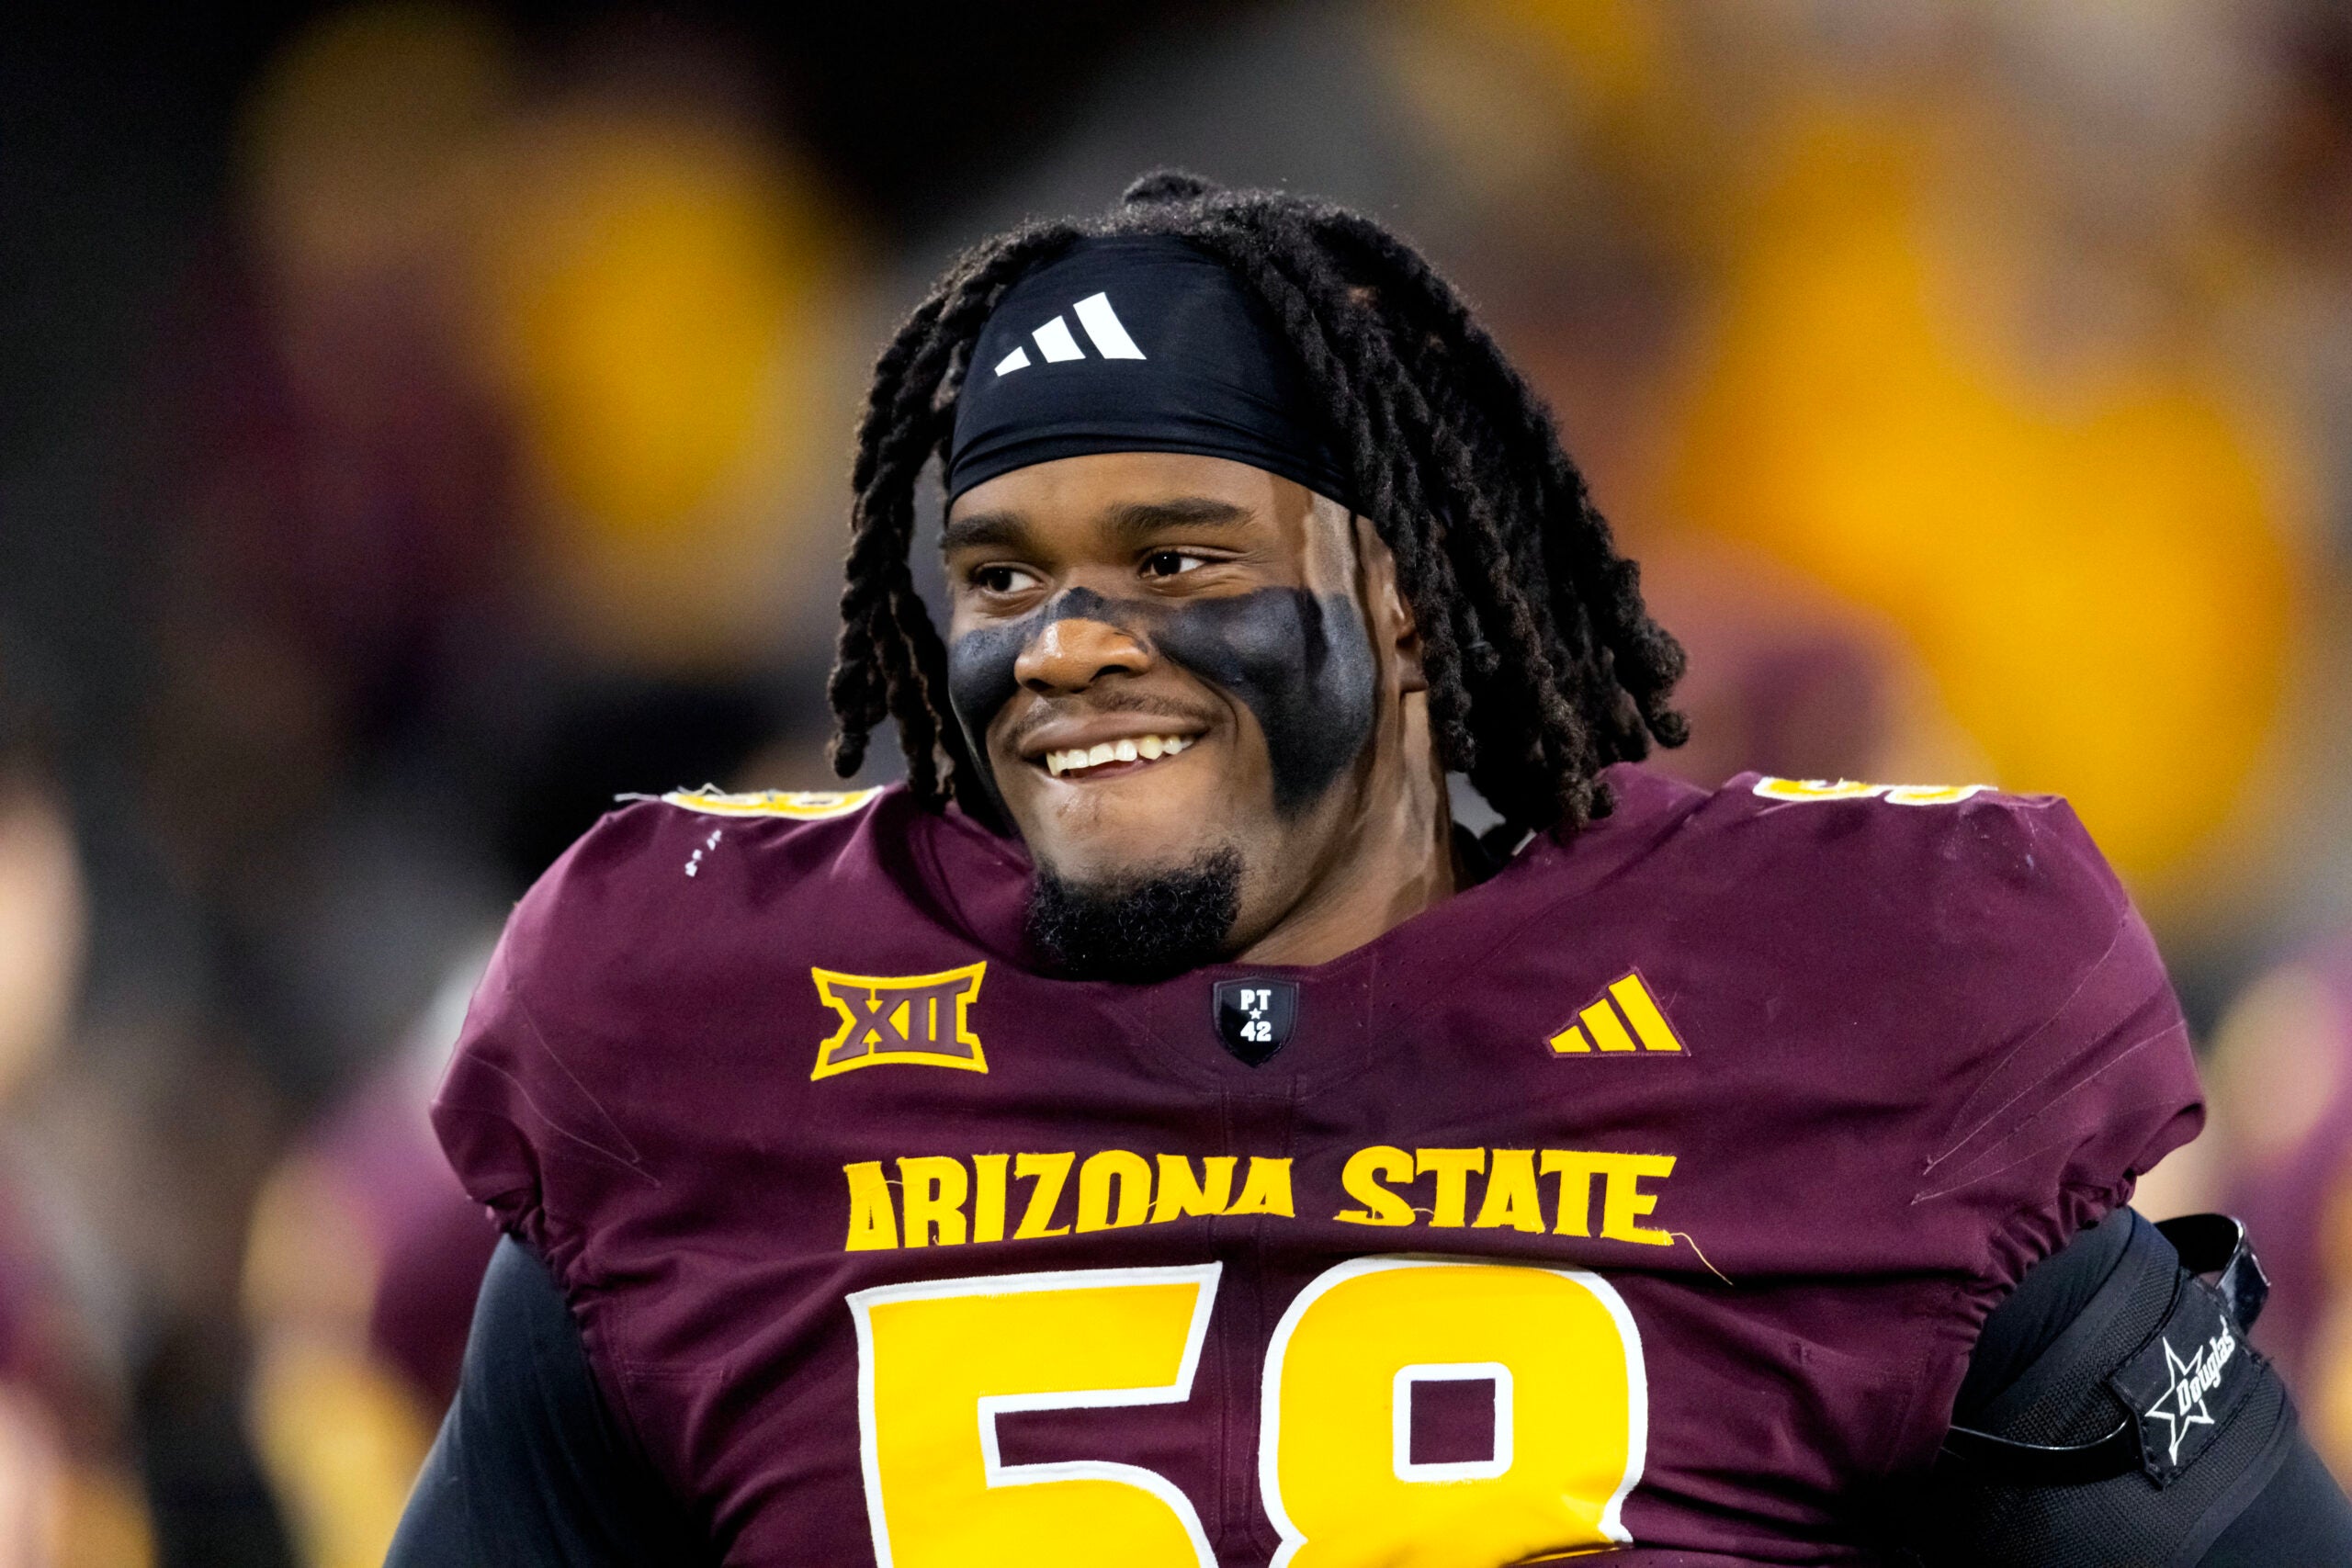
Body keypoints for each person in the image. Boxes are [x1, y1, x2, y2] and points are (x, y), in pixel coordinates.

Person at [387, 175, 2352, 1566]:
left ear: (1407, 600)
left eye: (1179, 560)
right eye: (1000, 574)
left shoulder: (1849, 1017)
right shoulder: (710, 1065)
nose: (1065, 641)